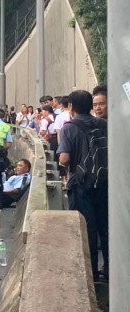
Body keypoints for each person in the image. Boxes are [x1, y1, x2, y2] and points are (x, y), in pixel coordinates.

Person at [57, 89, 109, 282]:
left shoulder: (69, 127)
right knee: (105, 228)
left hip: (81, 186)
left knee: (86, 230)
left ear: (71, 107)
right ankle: (110, 270)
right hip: (104, 184)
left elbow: (64, 159)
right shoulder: (103, 124)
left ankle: (91, 273)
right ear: (90, 106)